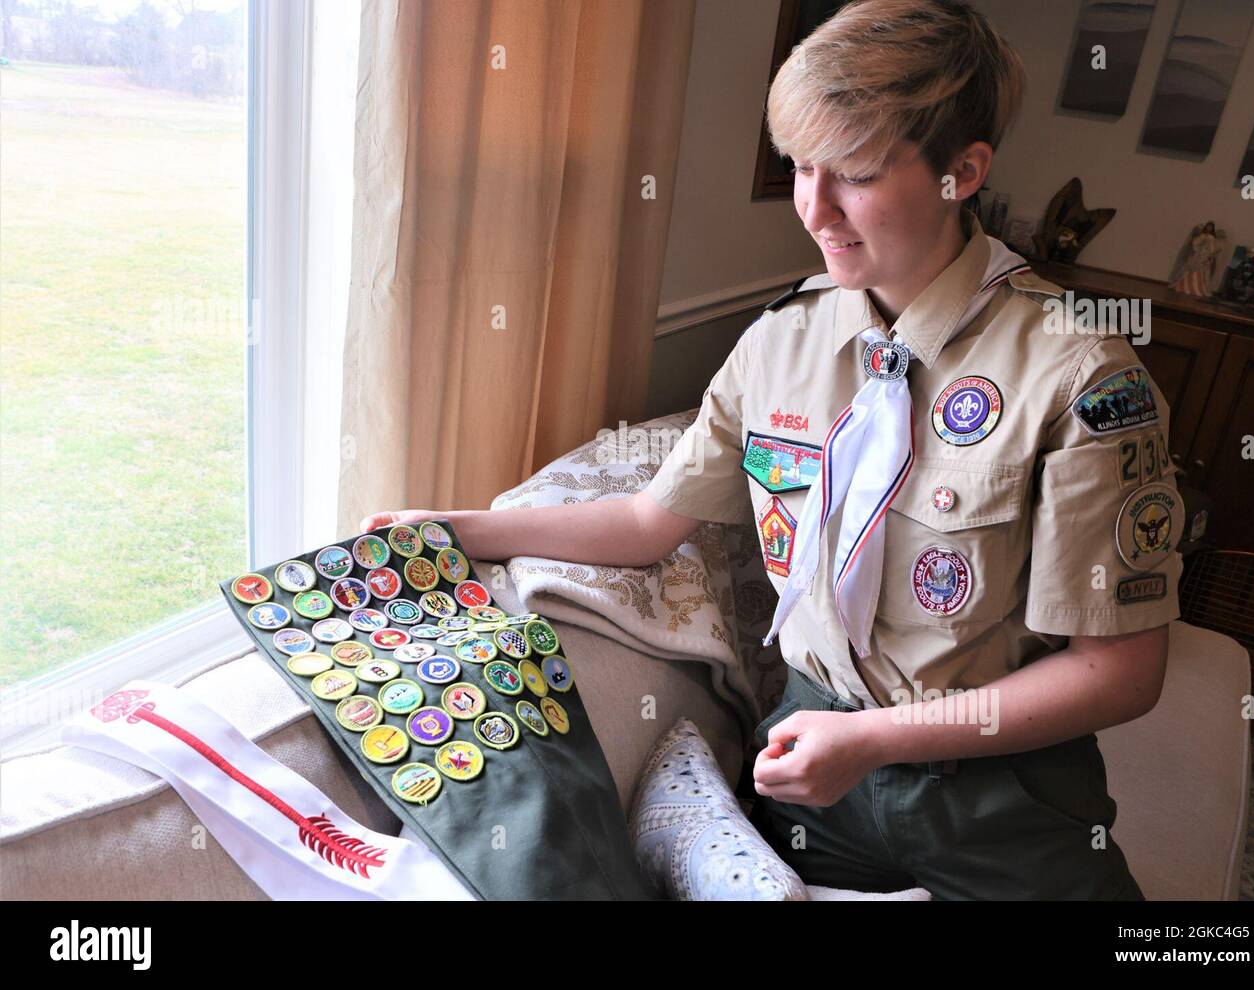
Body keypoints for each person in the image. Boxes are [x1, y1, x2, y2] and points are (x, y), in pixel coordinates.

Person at [362, 0, 1183, 900]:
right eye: (799, 167)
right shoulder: (779, 343)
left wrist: (875, 742)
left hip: (998, 786)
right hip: (807, 754)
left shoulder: (1081, 375)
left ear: (963, 172)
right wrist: (462, 526)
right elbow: (647, 522)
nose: (814, 208)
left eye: (857, 173)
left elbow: (1121, 675)